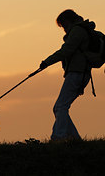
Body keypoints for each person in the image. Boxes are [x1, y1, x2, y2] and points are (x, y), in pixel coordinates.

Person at [39, 9, 95, 141]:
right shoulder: (80, 30)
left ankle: (58, 137)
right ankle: (74, 139)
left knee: (60, 107)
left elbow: (66, 51)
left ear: (68, 21)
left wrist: (46, 62)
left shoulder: (77, 31)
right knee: (59, 107)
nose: (64, 29)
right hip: (79, 74)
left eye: (63, 25)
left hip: (77, 74)